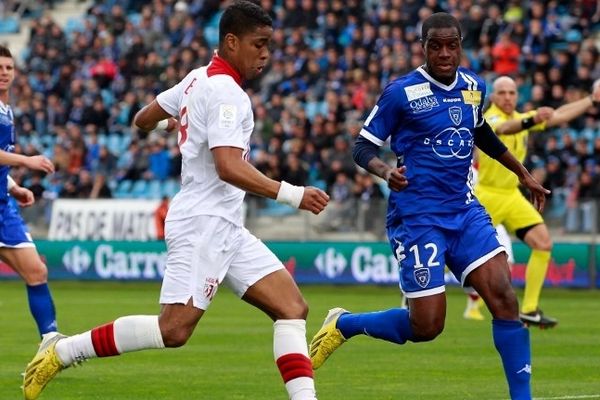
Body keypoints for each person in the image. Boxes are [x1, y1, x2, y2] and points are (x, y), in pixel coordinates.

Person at [23, 3, 329, 400]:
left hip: (226, 225)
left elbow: (141, 118)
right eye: (259, 44)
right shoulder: (226, 92)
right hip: (202, 222)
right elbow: (228, 167)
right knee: (173, 330)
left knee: (291, 307)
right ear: (231, 42)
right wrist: (293, 194)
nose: (266, 53)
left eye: (269, 44)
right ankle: (63, 350)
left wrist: (173, 122)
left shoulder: (195, 79)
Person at [309, 13, 549, 400]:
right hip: (417, 217)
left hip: (464, 209)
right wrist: (386, 170)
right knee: (427, 327)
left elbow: (480, 130)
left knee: (504, 297)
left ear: (460, 45)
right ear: (423, 48)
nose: (444, 53)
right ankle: (345, 324)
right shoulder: (401, 92)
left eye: (451, 45)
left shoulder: (474, 86)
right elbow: (362, 146)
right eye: (434, 46)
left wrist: (522, 172)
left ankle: (523, 397)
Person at [470, 75, 600, 327]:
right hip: (486, 194)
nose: (507, 97)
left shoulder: (520, 116)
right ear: (494, 97)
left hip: (511, 195)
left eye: (512, 93)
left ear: (517, 96)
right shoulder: (490, 119)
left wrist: (590, 101)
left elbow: (559, 116)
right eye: (502, 93)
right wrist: (532, 118)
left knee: (543, 243)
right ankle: (415, 290)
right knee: (458, 254)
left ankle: (529, 308)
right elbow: (508, 128)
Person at [0, 45, 59, 339]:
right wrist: (26, 160)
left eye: (8, 68)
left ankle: (49, 345)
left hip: (3, 208)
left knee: (37, 272)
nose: (4, 73)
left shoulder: (6, 110)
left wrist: (14, 187)